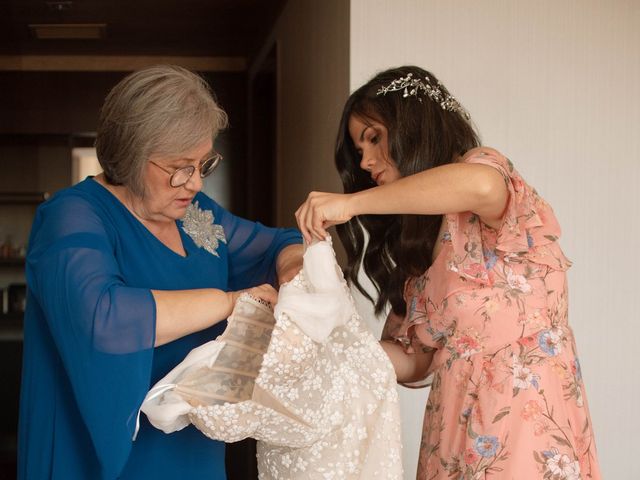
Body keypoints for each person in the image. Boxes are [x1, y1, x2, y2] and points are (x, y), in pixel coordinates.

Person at [295, 66, 601, 479]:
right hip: (452, 431)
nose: (365, 161)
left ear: (414, 127)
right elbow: (416, 360)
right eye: (358, 148)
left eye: (374, 138)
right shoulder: (417, 249)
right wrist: (326, 349)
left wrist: (353, 204)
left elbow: (480, 187)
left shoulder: (484, 176)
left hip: (525, 422)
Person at [18, 65, 303, 480]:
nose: (193, 184)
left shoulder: (198, 216)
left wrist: (294, 269)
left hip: (193, 454)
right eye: (179, 166)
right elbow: (103, 318)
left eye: (203, 164)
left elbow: (280, 242)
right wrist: (228, 303)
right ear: (132, 156)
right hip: (99, 457)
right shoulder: (72, 215)